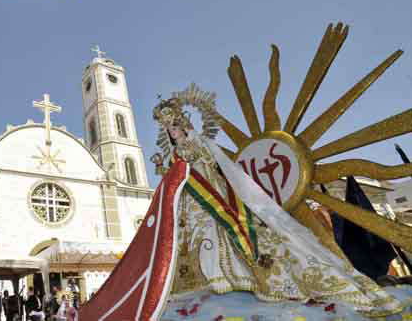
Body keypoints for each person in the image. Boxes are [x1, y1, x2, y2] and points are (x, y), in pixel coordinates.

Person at [150, 88, 403, 317]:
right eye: (169, 130)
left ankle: (238, 278)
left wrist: (200, 165)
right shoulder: (175, 153)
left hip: (215, 195)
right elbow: (176, 177)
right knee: (194, 238)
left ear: (184, 125)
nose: (174, 133)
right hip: (192, 202)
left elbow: (217, 167)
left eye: (176, 127)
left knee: (227, 232)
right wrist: (163, 168)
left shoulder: (200, 143)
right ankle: (206, 280)